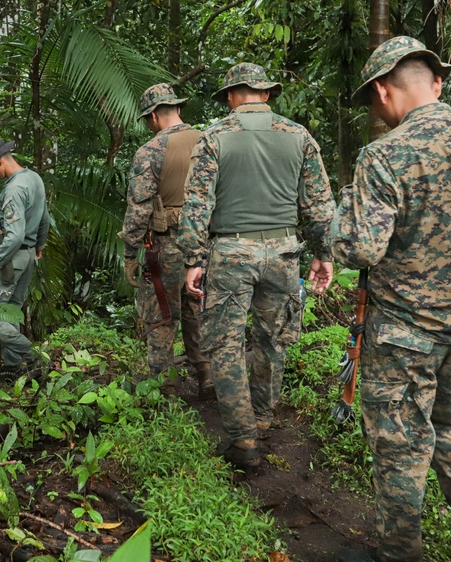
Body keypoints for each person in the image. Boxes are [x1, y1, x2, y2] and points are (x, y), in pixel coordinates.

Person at [331, 36, 451, 562]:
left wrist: (341, 213)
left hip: (405, 335)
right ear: (438, 82)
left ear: (383, 91)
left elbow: (359, 248)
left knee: (402, 444)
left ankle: (398, 553)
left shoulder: (384, 155)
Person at [178, 63, 335, 475]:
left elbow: (197, 205)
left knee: (225, 343)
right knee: (273, 337)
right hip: (284, 250)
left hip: (230, 251)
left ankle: (243, 439)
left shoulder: (215, 137)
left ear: (232, 96)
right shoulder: (299, 136)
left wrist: (194, 259)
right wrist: (324, 253)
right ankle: (263, 416)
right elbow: (319, 205)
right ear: (265, 94)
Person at [118, 83, 213, 400]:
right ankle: (208, 376)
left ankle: (165, 388)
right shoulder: (208, 141)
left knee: (161, 315)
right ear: (179, 109)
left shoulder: (150, 151)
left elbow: (138, 209)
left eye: (148, 119)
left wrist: (130, 253)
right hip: (208, 244)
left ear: (155, 116)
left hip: (166, 245)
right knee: (199, 311)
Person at [0, 137, 51, 380]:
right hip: (28, 256)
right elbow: (44, 219)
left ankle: (33, 357)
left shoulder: (13, 189)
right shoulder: (34, 178)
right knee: (12, 310)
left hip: (12, 258)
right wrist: (38, 245)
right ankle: (13, 367)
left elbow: (14, 235)